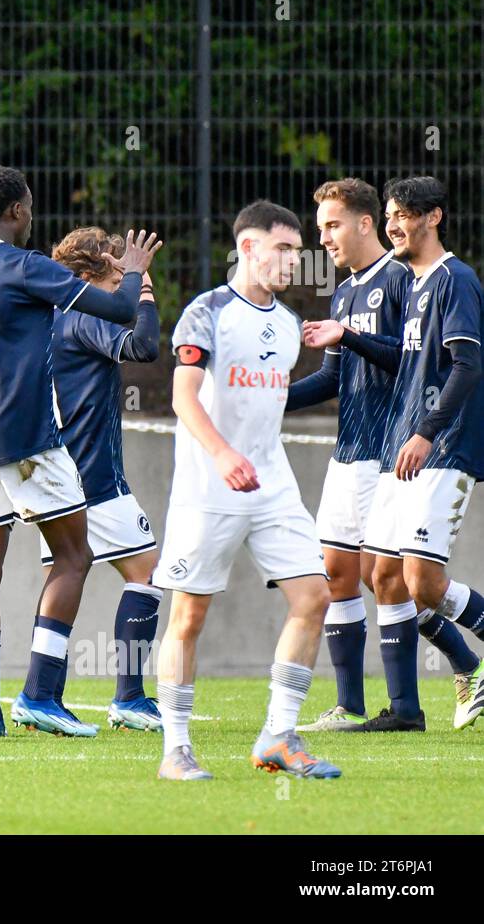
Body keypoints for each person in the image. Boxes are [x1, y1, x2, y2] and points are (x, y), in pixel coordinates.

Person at [0, 165, 160, 738]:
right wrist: (134, 275)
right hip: (27, 438)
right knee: (74, 557)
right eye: (29, 207)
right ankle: (41, 695)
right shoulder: (24, 266)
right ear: (16, 210)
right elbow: (118, 313)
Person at [153, 200, 340, 780]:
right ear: (249, 247)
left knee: (314, 598)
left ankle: (278, 737)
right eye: (282, 249)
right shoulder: (205, 311)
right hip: (209, 486)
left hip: (272, 483)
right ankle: (176, 750)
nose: (292, 261)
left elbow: (273, 401)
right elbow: (182, 398)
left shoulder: (287, 326)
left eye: (297, 251)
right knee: (188, 615)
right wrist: (223, 453)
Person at [303, 175, 484, 731]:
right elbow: (401, 365)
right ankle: (401, 709)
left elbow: (466, 366)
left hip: (438, 447)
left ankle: (460, 666)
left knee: (421, 583)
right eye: (390, 215)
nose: (394, 224)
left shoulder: (448, 279)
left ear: (434, 217)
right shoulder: (417, 283)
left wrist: (426, 429)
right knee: (382, 576)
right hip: (393, 451)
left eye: (403, 215)